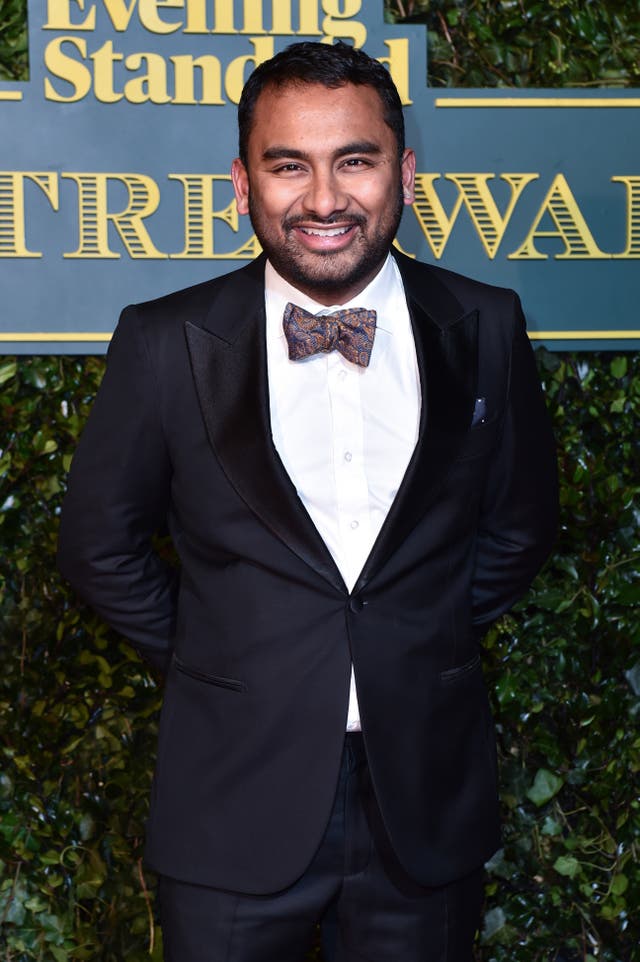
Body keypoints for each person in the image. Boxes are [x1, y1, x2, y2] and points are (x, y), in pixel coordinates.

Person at [58, 40, 558, 962]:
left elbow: (520, 524)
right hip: (230, 801)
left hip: (424, 805)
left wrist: (418, 630)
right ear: (242, 183)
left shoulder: (485, 323)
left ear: (405, 173)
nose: (324, 199)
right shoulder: (164, 340)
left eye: (354, 160)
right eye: (289, 165)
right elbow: (99, 545)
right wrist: (226, 653)